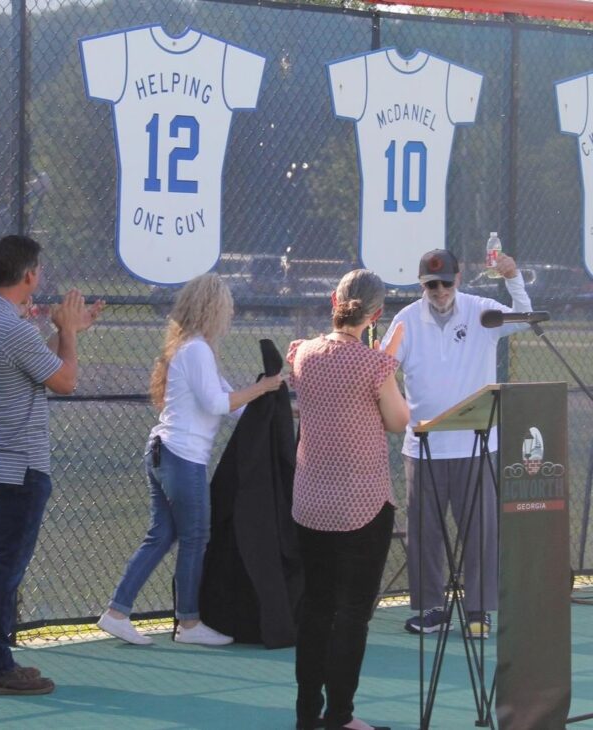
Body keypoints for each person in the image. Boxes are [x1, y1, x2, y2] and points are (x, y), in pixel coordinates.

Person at [97, 272, 283, 647]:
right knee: (196, 536)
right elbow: (218, 403)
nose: (229, 316)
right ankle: (189, 622)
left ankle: (116, 613)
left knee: (163, 535)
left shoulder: (198, 350)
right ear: (212, 308)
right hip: (180, 457)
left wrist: (279, 410)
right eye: (226, 308)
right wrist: (262, 387)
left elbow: (232, 406)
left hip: (169, 454)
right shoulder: (195, 349)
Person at [0, 235, 104, 695]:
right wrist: (65, 334)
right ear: (29, 275)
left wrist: (67, 332)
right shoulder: (13, 327)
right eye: (38, 271)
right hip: (21, 464)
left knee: (2, 565)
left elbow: (26, 360)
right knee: (7, 567)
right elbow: (65, 380)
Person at [383, 249, 531, 639]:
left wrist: (512, 276)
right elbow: (382, 369)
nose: (440, 290)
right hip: (424, 446)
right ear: (421, 286)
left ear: (459, 279)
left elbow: (524, 315)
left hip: (477, 445)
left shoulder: (481, 310)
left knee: (481, 531)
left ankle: (478, 610)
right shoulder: (406, 321)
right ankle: (431, 608)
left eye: (446, 282)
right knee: (424, 533)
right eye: (431, 284)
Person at [288, 269, 408, 730]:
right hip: (362, 504)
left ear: (334, 301)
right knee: (352, 614)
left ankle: (307, 715)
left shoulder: (304, 355)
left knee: (316, 608)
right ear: (376, 314)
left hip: (311, 502)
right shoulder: (373, 365)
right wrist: (385, 363)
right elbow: (398, 420)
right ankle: (341, 717)